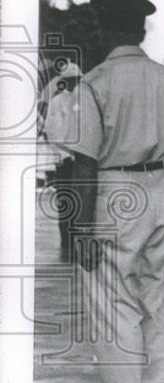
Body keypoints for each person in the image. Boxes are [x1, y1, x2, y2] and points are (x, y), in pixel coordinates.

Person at [65, 0, 164, 383]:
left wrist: (81, 228)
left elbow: (83, 164)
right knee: (154, 310)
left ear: (104, 28)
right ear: (141, 30)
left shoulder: (95, 84)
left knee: (112, 312)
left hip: (114, 193)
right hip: (160, 191)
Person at [42, 62, 83, 261]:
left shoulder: (84, 101)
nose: (76, 83)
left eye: (78, 80)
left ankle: (78, 238)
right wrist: (70, 153)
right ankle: (67, 240)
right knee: (66, 201)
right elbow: (53, 132)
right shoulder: (58, 102)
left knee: (82, 200)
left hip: (81, 160)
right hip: (65, 159)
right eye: (72, 80)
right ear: (65, 81)